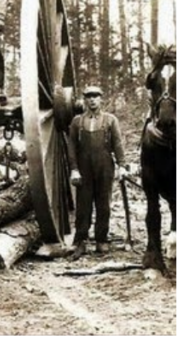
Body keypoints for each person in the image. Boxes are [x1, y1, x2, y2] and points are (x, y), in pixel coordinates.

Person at [67, 85, 126, 259]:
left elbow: (118, 144)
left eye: (95, 96)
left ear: (101, 99)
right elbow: (71, 147)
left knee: (103, 204)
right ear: (84, 100)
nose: (92, 100)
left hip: (105, 166)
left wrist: (122, 165)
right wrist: (74, 169)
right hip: (84, 168)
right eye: (89, 97)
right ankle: (81, 241)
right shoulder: (77, 121)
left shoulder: (110, 120)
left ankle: (101, 239)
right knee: (83, 205)